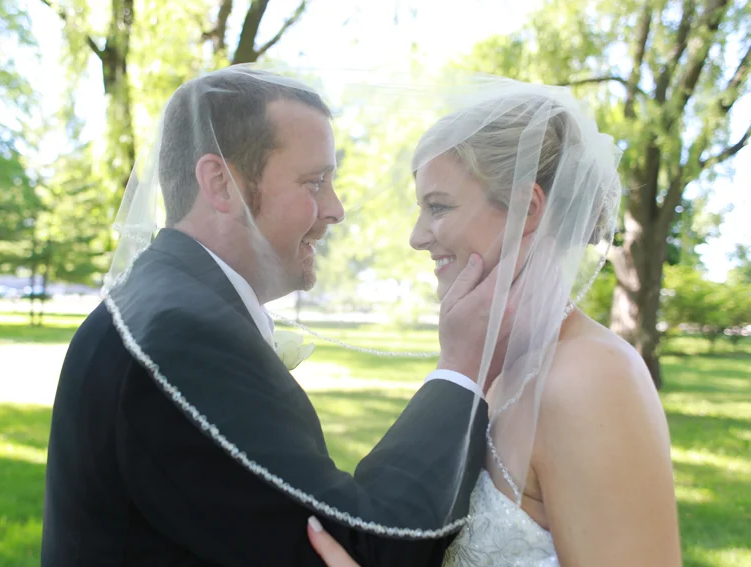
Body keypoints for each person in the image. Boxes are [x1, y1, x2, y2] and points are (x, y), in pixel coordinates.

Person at [41, 67, 501, 566]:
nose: (336, 209)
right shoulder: (184, 332)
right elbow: (360, 546)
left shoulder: (165, 300)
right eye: (315, 182)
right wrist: (463, 366)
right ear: (221, 184)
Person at [304, 75, 681, 566]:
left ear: (527, 207)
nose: (418, 238)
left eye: (437, 207)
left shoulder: (592, 379)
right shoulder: (498, 368)